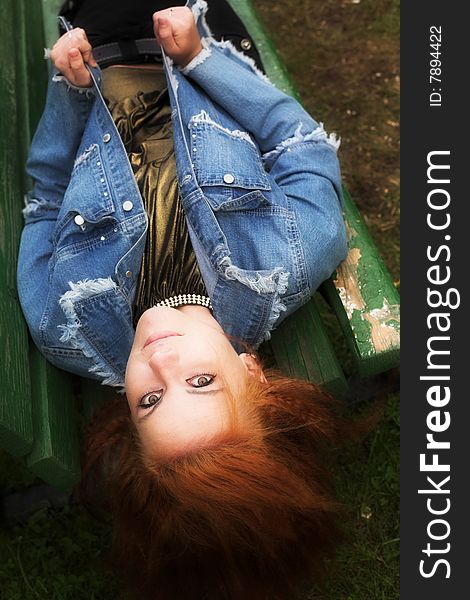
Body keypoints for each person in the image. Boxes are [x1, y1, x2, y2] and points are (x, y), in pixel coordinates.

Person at [17, 1, 351, 598]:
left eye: (148, 400)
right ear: (253, 374)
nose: (161, 362)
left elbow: (46, 200)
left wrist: (69, 94)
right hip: (201, 46)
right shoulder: (289, 257)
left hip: (100, 62)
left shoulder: (61, 321)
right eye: (201, 383)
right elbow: (301, 146)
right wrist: (202, 57)